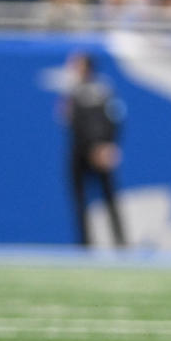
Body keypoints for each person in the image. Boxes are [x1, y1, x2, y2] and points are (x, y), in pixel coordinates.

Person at [63, 52, 126, 248]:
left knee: (108, 199)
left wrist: (104, 145)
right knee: (82, 200)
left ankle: (118, 242)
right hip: (84, 150)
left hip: (95, 150)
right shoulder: (75, 90)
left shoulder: (101, 90)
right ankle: (87, 243)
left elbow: (112, 120)